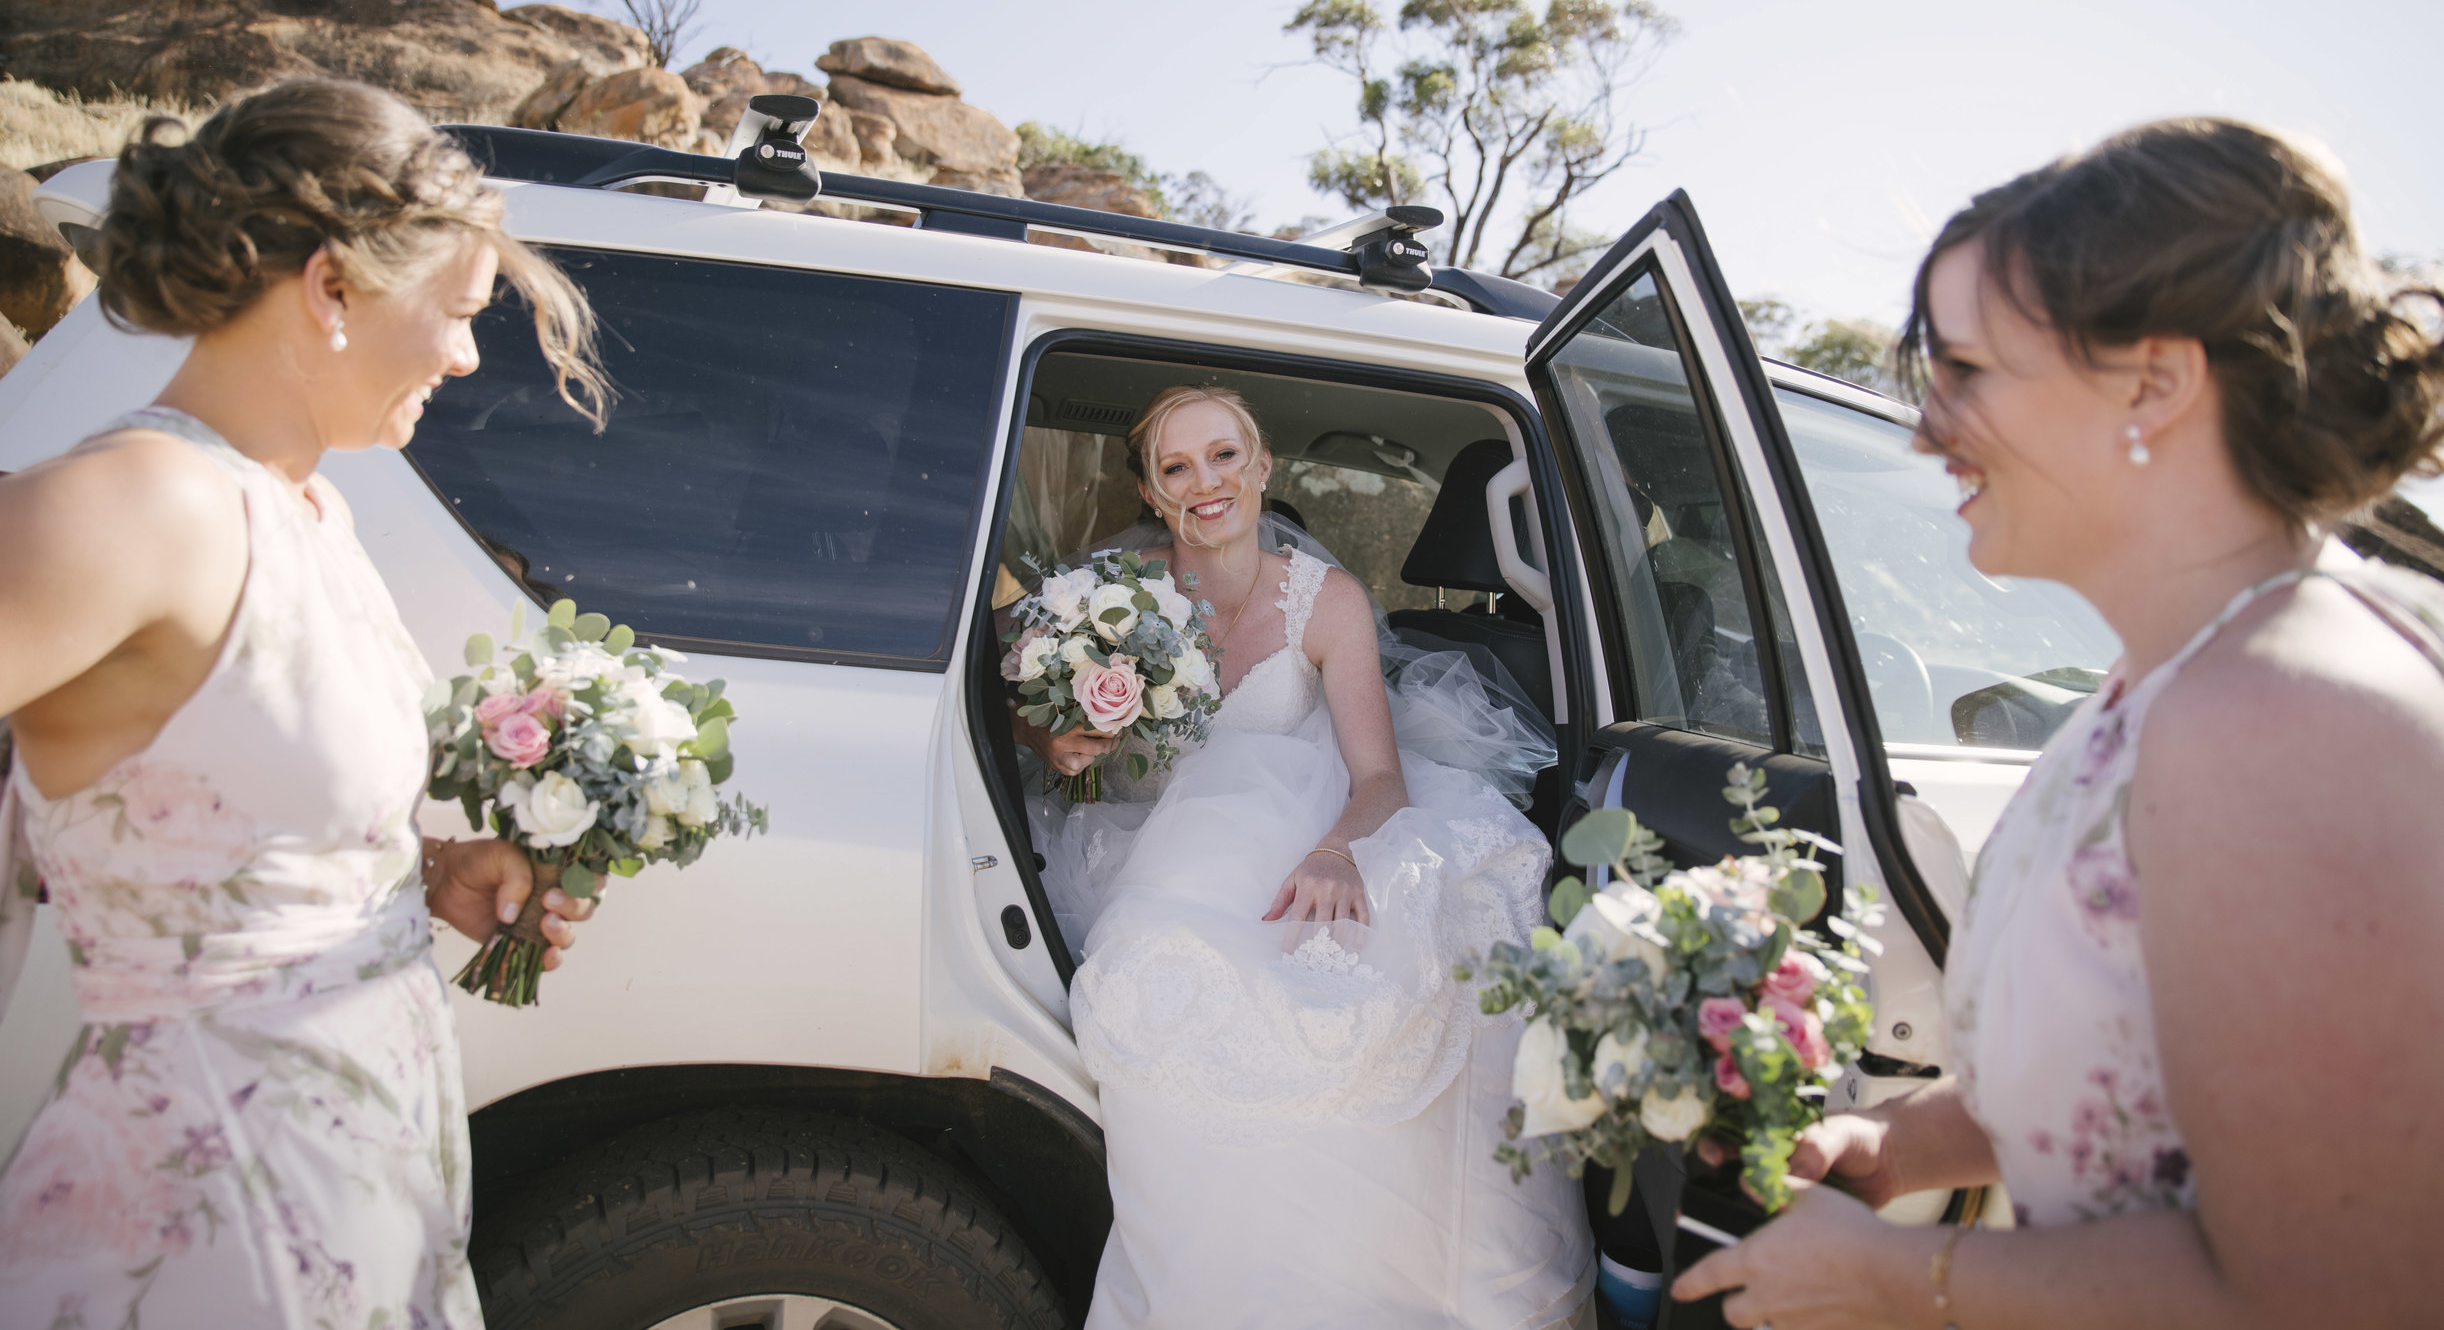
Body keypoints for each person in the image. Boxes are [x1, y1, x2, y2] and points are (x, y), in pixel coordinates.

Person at [1673, 119, 2444, 1328]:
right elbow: (2156, 1082)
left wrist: (1897, 1282)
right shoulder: (2154, 692)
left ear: (2155, 382)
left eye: (1967, 372)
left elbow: (2345, 1295)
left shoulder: (2281, 721)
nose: (1927, 430)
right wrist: (1901, 1146)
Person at [0, 78, 612, 1328]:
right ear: (334, 286)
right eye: (461, 311)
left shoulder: (308, 509)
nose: (470, 353)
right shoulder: (148, 506)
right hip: (198, 1211)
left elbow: (207, 797)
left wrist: (417, 876)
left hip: (353, 1173)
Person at [1016, 384, 1593, 1330]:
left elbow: (1378, 779)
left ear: (1262, 467)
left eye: (1225, 457)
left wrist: (1336, 856)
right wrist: (1056, 746)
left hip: (1301, 830)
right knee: (1166, 992)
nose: (1207, 483)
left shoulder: (1327, 604)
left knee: (1375, 984)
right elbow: (1029, 713)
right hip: (1149, 850)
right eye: (1177, 467)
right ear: (1154, 494)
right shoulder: (1108, 601)